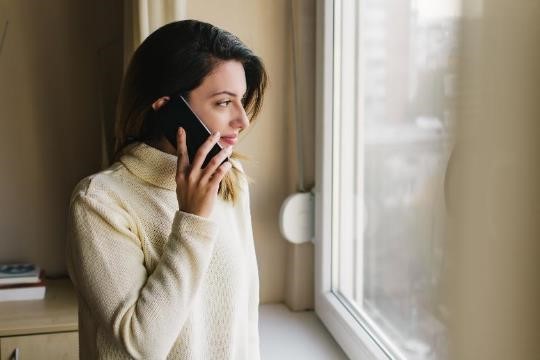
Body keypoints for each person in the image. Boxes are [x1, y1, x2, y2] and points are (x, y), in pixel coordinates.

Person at [65, 19, 267, 360]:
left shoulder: (229, 180)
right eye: (222, 103)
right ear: (168, 109)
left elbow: (244, 324)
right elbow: (142, 345)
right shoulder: (99, 202)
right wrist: (192, 219)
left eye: (242, 99)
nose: (242, 121)